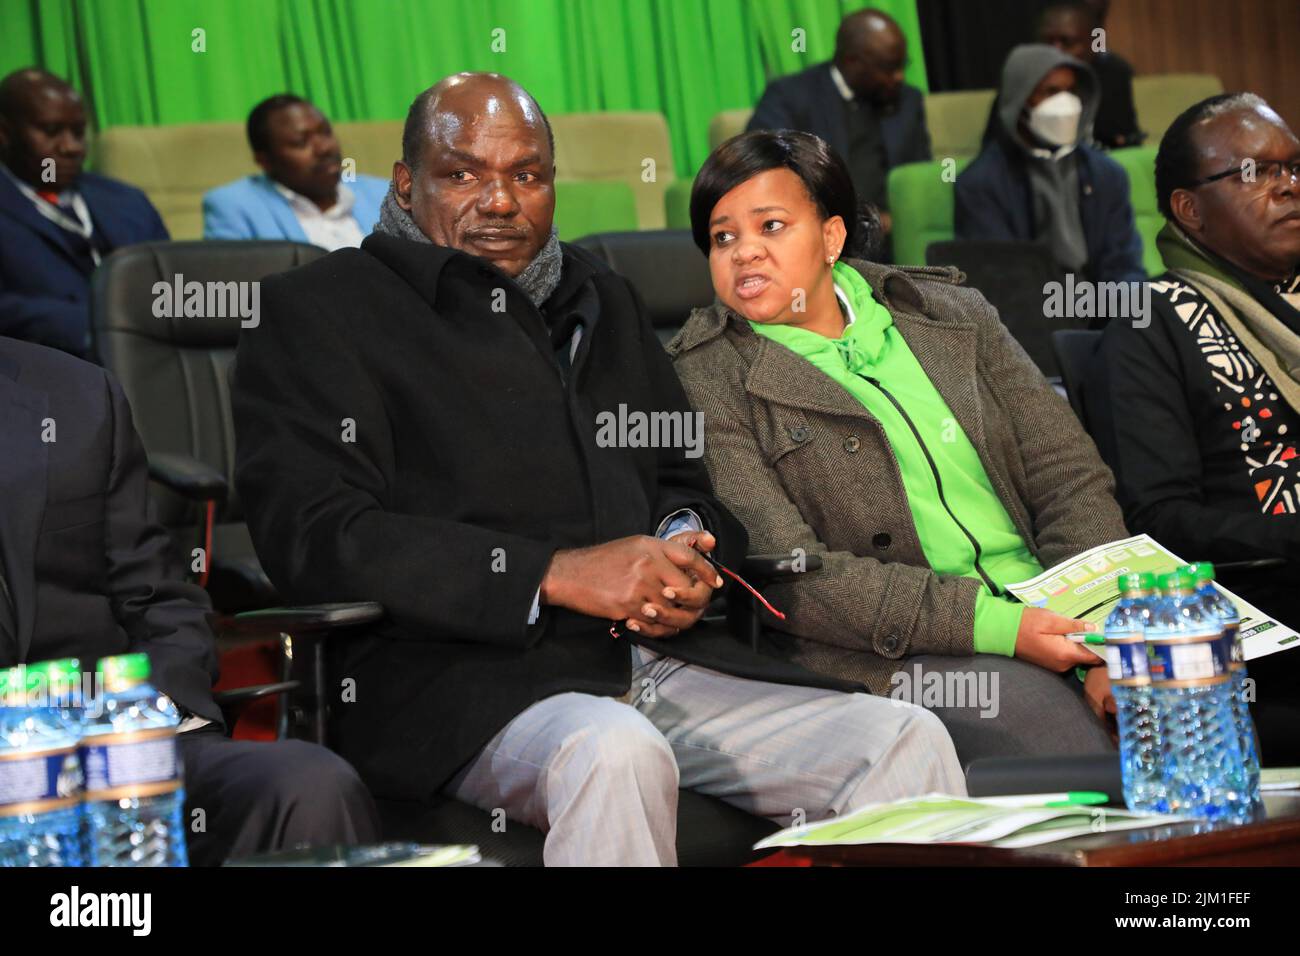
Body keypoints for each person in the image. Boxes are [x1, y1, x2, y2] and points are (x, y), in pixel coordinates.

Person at [231, 72, 964, 867]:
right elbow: (315, 537)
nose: (501, 201)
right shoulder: (320, 310)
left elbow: (682, 480)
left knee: (903, 738)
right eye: (464, 173)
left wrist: (685, 545)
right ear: (406, 184)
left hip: (660, 660)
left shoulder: (598, 297)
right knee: (616, 750)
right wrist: (550, 574)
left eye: (527, 175)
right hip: (457, 683)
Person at [669, 129, 1130, 764]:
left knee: (1193, 693)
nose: (745, 252)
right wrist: (1003, 629)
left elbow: (1068, 475)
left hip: (1061, 612)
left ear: (832, 236)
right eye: (723, 238)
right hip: (903, 649)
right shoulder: (706, 378)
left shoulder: (947, 311)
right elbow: (792, 574)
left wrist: (1100, 634)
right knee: (1066, 743)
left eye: (770, 226)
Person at [0, 334, 379, 866]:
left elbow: (157, 599)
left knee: (306, 784)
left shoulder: (75, 395)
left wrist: (148, 718)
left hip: (106, 742)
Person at [1091, 93, 1300, 763]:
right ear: (1189, 209)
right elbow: (1160, 519)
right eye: (1257, 172)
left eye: (1294, 167)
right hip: (1265, 612)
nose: (1289, 185)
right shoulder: (1152, 323)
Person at [0, 69, 168, 358]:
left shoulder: (127, 199)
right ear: (4, 134)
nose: (71, 147)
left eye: (78, 132)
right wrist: (106, 323)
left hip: (154, 360)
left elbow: (170, 276)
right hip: (46, 368)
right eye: (51, 131)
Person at [956, 44, 1145, 285]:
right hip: (1028, 312)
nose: (1064, 102)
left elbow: (1124, 265)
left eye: (1070, 90)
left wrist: (1125, 316)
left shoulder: (1106, 174)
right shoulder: (980, 184)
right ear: (1020, 99)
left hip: (1105, 308)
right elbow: (999, 279)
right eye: (1051, 91)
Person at [746, 7, 930, 238]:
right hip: (820, 233)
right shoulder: (789, 97)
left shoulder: (907, 100)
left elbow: (920, 173)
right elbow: (762, 166)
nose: (899, 76)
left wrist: (894, 218)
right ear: (851, 61)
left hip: (891, 236)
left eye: (903, 65)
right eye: (888, 68)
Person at [203, 94, 387, 250]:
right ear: (264, 161)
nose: (324, 148)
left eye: (326, 132)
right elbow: (231, 284)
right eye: (301, 142)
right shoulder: (234, 206)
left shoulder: (383, 192)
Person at [1038, 0, 1141, 150]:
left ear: (1092, 44)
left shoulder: (1113, 74)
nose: (1054, 51)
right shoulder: (1023, 77)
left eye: (1067, 42)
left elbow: (1123, 141)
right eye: (1048, 41)